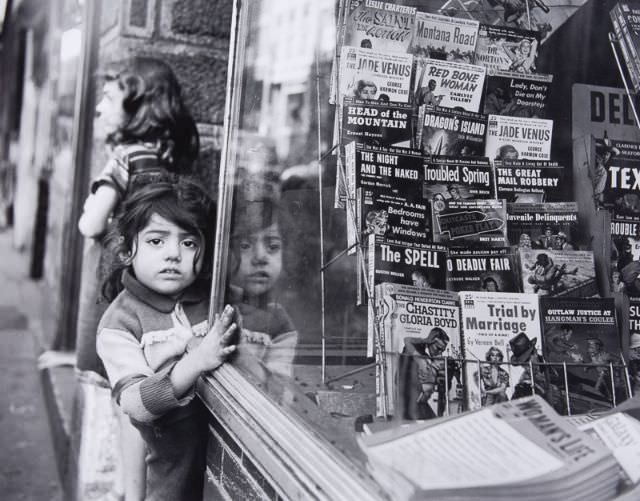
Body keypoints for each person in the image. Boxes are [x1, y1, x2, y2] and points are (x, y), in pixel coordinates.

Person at [76, 56, 200, 500]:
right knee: (143, 402)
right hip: (167, 307)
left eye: (109, 98)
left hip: (121, 291)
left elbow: (91, 225)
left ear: (137, 103)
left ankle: (116, 490)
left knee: (116, 392)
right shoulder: (177, 159)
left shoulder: (126, 157)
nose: (100, 109)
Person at [97, 180, 238, 501]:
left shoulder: (214, 299)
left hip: (216, 470)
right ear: (127, 249)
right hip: (161, 481)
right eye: (157, 241)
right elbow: (135, 404)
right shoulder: (120, 323)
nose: (173, 254)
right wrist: (196, 362)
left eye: (188, 243)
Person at [227, 196, 298, 377]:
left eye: (273, 246)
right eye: (245, 245)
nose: (260, 257)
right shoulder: (211, 304)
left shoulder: (280, 323)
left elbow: (277, 388)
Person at [400, 328, 450, 420]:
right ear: (431, 341)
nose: (440, 352)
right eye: (438, 348)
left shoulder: (429, 357)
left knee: (433, 422)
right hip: (408, 397)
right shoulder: (418, 347)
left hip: (420, 399)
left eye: (442, 350)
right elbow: (407, 340)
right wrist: (424, 341)